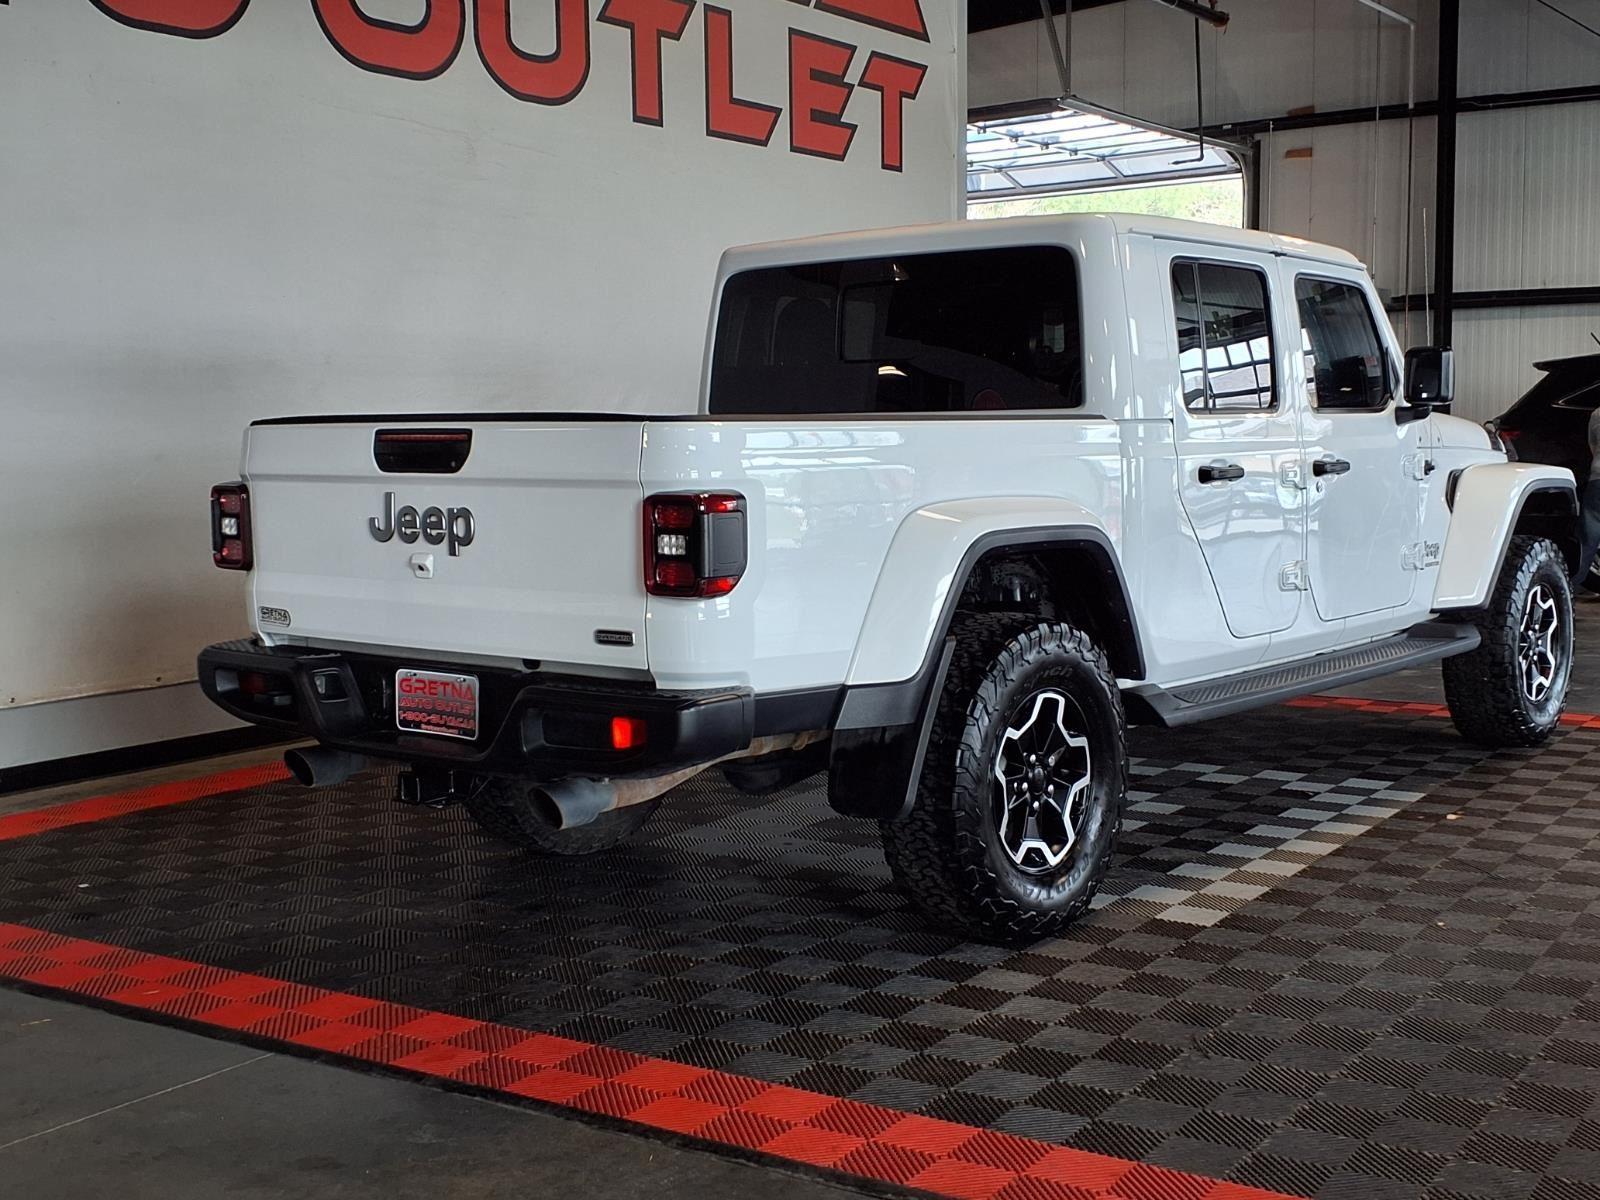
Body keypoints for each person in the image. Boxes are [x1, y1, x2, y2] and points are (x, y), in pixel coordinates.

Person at [1572, 403, 1600, 586]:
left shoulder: (1597, 413)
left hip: (1598, 480)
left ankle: (1569, 589)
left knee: (1588, 540)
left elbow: (1593, 445)